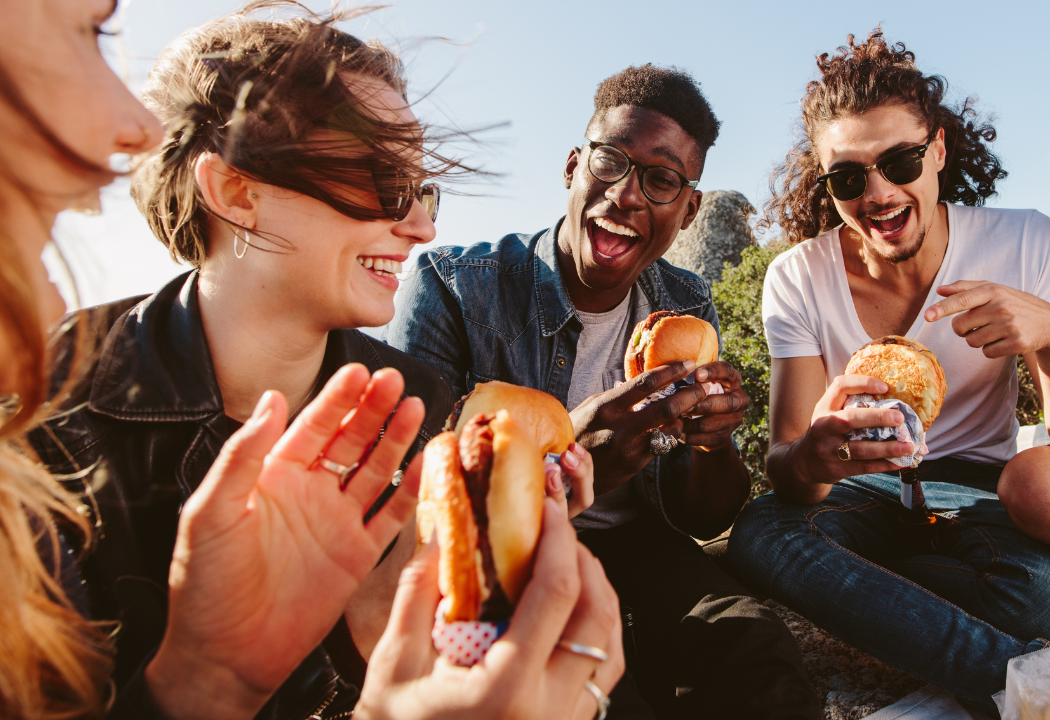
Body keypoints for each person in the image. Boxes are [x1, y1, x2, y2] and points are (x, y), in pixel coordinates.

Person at [4, 2, 618, 720]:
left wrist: (496, 570)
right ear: (237, 193)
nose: (422, 226)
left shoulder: (419, 406)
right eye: (381, 179)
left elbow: (421, 659)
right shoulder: (46, 418)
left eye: (421, 189)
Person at [389, 63, 821, 719]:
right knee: (600, 701)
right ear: (573, 167)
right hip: (506, 565)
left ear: (688, 208)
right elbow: (411, 497)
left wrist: (713, 444)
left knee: (763, 663)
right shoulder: (453, 286)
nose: (626, 195)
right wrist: (566, 452)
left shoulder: (685, 304)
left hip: (641, 549)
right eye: (610, 162)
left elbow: (708, 518)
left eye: (661, 179)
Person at [726, 28, 1050, 711]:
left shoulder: (1024, 242)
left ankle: (877, 596)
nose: (877, 193)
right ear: (825, 182)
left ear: (936, 150)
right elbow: (784, 468)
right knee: (763, 533)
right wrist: (814, 454)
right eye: (848, 177)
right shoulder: (798, 277)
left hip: (977, 492)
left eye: (900, 161)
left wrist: (1048, 334)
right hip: (858, 492)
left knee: (1036, 591)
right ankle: (1018, 681)